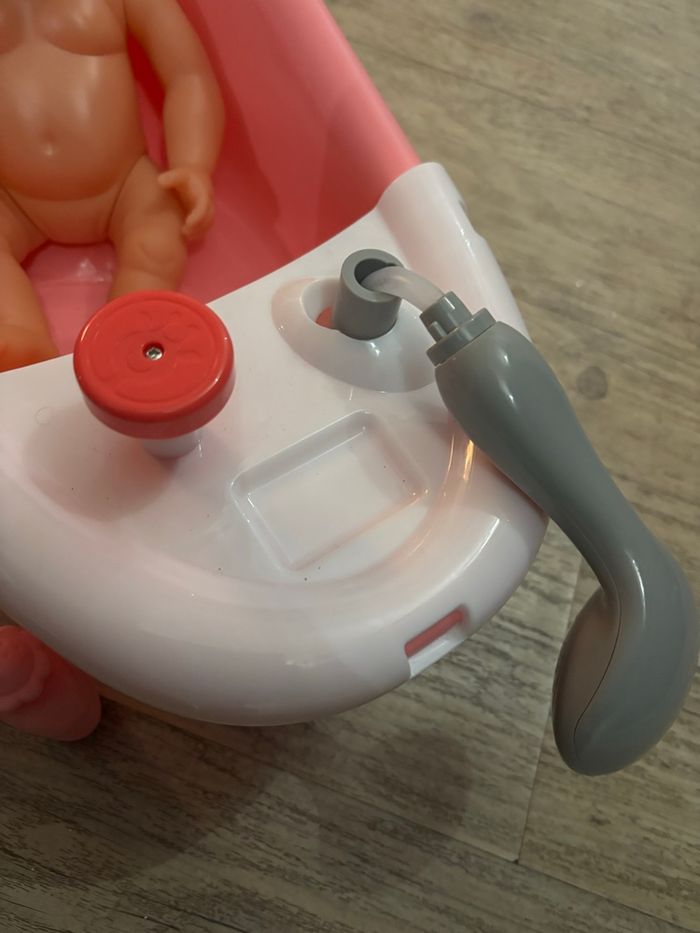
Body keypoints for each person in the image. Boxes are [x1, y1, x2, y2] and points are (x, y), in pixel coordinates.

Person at [0, 0, 224, 736]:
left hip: (127, 183)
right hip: (9, 197)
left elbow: (187, 73)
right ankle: (21, 368)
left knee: (155, 246)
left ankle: (131, 365)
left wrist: (192, 163)